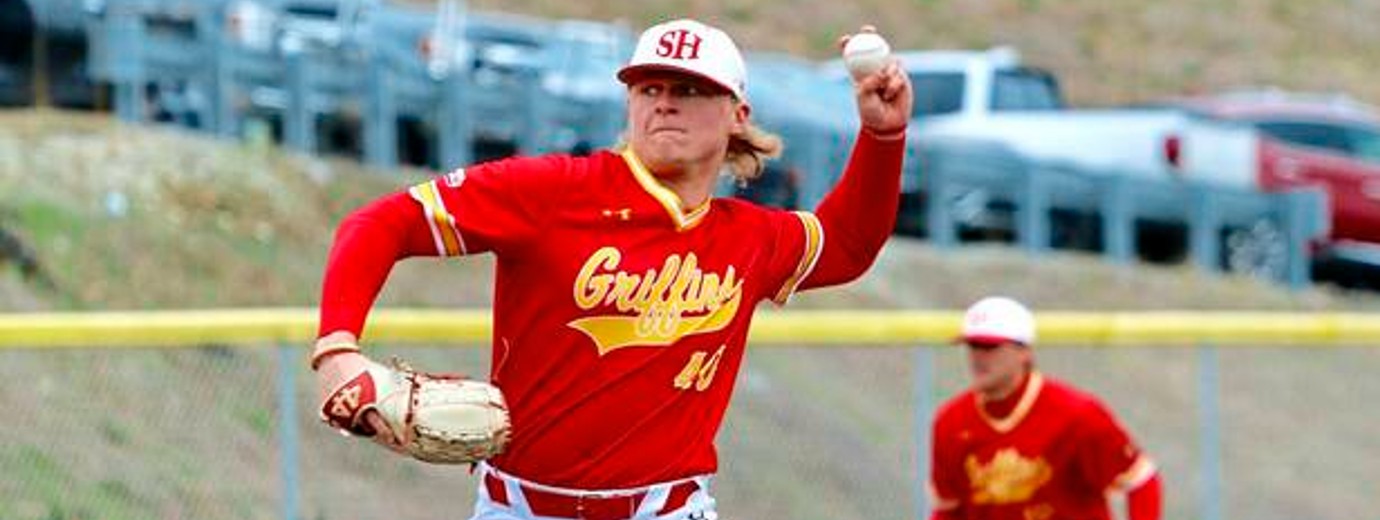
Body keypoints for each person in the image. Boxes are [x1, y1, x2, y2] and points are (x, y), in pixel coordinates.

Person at [310, 18, 913, 520]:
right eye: (649, 87)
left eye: (690, 88)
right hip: (520, 508)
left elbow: (848, 245)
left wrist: (883, 138)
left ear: (737, 113)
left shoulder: (748, 236)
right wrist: (337, 348)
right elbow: (377, 224)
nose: (666, 101)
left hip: (669, 509)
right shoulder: (552, 191)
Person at [929, 296, 1163, 520]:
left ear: (1024, 351)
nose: (978, 357)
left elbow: (1141, 481)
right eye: (972, 346)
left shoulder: (1076, 414)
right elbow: (950, 510)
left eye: (989, 346)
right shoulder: (951, 421)